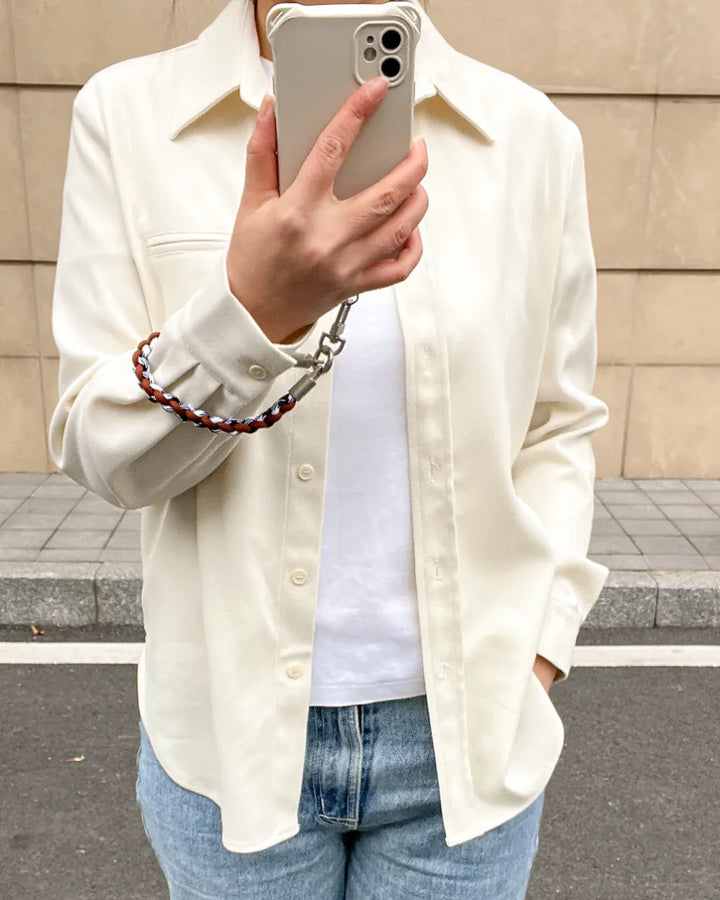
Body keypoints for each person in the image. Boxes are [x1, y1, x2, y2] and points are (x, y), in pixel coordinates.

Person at [48, 0, 610, 896]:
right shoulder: (130, 115)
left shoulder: (529, 136)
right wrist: (252, 316)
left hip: (466, 743)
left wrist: (541, 645)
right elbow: (100, 449)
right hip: (226, 743)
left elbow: (557, 421)